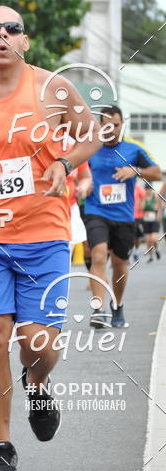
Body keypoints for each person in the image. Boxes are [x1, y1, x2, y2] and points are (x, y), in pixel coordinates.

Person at [0, 5, 100, 471]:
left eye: (12, 29)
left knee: (37, 342)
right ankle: (1, 445)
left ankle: (39, 381)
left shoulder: (52, 89)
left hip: (45, 233)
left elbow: (91, 134)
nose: (2, 36)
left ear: (24, 41)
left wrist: (65, 164)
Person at [84, 105, 161, 328]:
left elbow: (156, 172)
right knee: (98, 256)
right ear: (100, 125)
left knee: (120, 263)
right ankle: (98, 309)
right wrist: (84, 184)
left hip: (124, 216)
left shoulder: (133, 150)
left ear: (121, 125)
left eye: (115, 125)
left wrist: (135, 170)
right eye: (106, 125)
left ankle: (117, 305)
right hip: (96, 211)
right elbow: (77, 172)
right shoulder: (90, 148)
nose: (111, 129)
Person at [142, 183, 160, 262]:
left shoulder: (155, 197)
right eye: (146, 189)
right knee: (148, 240)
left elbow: (159, 208)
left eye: (149, 189)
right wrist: (144, 199)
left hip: (154, 220)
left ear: (151, 189)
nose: (148, 190)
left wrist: (158, 215)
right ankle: (150, 256)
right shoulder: (143, 198)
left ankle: (156, 249)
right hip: (146, 221)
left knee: (154, 238)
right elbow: (140, 208)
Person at [131, 179, 146, 265]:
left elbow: (143, 196)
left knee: (137, 236)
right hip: (128, 216)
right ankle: (127, 254)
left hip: (138, 216)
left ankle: (136, 251)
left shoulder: (137, 186)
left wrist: (142, 205)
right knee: (129, 236)